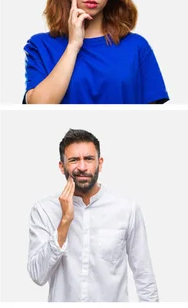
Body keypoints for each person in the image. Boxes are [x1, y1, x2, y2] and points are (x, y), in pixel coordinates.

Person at [24, 0, 168, 104]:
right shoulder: (40, 46)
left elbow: (154, 120)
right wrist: (73, 46)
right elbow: (38, 108)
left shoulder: (137, 47)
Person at [27, 129, 158, 301]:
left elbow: (144, 276)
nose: (82, 167)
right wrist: (65, 222)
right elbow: (38, 275)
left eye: (88, 159)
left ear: (100, 163)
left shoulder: (126, 209)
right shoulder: (44, 210)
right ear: (62, 166)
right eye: (74, 160)